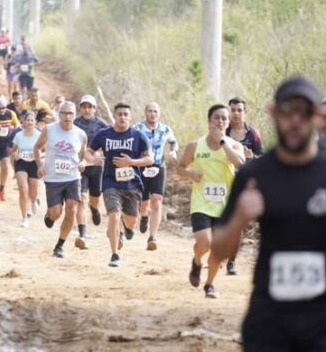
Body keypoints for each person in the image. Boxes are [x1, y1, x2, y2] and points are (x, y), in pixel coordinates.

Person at [210, 75, 326, 351]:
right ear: (274, 114)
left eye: (304, 111)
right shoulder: (254, 174)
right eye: (287, 111)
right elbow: (218, 250)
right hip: (270, 317)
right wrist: (239, 219)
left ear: (316, 116)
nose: (295, 120)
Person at [178, 104, 245, 298]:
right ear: (209, 120)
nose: (220, 121)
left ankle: (209, 285)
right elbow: (180, 168)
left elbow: (241, 164)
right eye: (217, 117)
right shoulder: (195, 145)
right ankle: (197, 260)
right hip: (201, 203)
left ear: (228, 122)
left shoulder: (234, 145)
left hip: (225, 206)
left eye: (224, 118)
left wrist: (223, 141)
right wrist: (190, 174)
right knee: (205, 243)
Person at [88, 102, 154, 267]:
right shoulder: (104, 134)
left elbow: (150, 158)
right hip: (110, 182)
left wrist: (131, 162)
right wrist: (93, 158)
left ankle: (124, 227)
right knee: (114, 215)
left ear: (130, 117)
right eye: (120, 114)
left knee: (131, 222)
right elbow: (89, 151)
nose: (122, 117)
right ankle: (114, 255)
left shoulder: (138, 135)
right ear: (114, 116)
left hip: (132, 184)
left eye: (126, 115)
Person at [33, 101, 88, 258]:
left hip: (73, 177)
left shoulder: (81, 134)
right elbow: (37, 147)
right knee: (56, 213)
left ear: (75, 115)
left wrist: (83, 163)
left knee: (71, 209)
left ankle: (60, 245)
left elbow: (83, 155)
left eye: (70, 113)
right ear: (59, 115)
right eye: (64, 113)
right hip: (53, 178)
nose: (67, 116)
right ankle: (50, 215)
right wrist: (39, 165)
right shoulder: (49, 129)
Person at [224, 97, 264, 275]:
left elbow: (262, 158)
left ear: (245, 112)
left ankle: (231, 262)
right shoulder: (222, 132)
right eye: (233, 110)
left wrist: (252, 157)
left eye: (239, 110)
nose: (236, 113)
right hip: (221, 183)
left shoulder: (253, 134)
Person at [134, 103, 178, 251]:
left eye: (155, 111)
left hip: (159, 167)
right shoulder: (137, 128)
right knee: (143, 203)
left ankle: (152, 237)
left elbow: (173, 142)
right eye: (150, 111)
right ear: (145, 112)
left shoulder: (165, 129)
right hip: (142, 167)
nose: (152, 114)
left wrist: (173, 151)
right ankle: (143, 216)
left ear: (159, 113)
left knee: (157, 201)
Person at [73, 95, 110, 249]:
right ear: (80, 108)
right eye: (84, 107)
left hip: (96, 166)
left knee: (95, 198)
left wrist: (100, 154)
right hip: (80, 166)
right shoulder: (74, 123)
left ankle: (94, 208)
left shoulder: (102, 125)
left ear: (94, 109)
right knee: (81, 199)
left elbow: (109, 143)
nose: (87, 110)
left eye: (90, 107)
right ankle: (82, 234)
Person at [10, 110, 42, 227]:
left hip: (34, 163)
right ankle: (24, 217)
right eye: (27, 120)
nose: (29, 122)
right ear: (23, 121)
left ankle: (33, 201)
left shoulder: (39, 135)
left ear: (35, 122)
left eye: (32, 120)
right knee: (23, 189)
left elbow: (46, 151)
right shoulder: (18, 135)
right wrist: (15, 154)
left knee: (33, 193)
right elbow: (13, 150)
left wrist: (38, 155)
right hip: (21, 163)